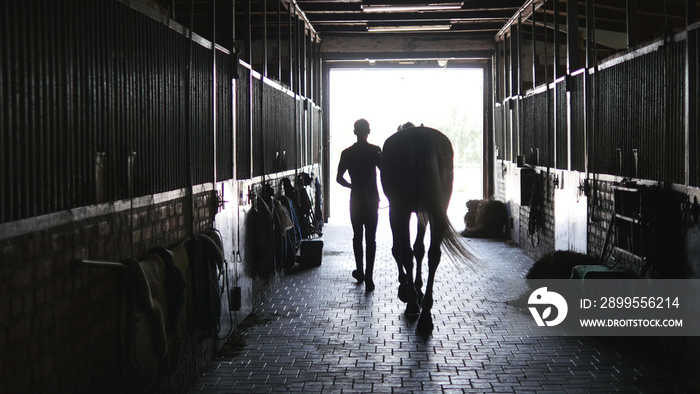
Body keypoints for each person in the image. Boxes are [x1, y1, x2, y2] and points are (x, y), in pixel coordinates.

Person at [336, 119, 381, 292]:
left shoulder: (347, 153)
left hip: (355, 201)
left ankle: (360, 271)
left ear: (354, 132)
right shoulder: (375, 151)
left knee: (357, 237)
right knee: (371, 239)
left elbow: (339, 178)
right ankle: (369, 276)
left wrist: (352, 186)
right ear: (368, 131)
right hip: (372, 202)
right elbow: (385, 171)